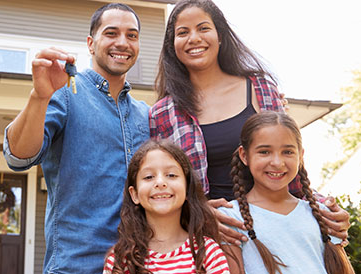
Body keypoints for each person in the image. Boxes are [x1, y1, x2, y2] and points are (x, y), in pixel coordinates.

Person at [149, 0, 350, 246]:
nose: (194, 38)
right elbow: (162, 185)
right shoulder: (162, 113)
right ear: (172, 45)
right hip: (211, 239)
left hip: (274, 228)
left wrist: (324, 209)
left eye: (203, 28)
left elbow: (288, 163)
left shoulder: (261, 88)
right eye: (183, 32)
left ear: (220, 35)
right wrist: (197, 213)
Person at [3, 3, 149, 273]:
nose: (122, 42)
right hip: (77, 266)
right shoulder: (65, 93)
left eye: (132, 35)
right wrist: (40, 96)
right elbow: (18, 157)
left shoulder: (146, 114)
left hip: (140, 265)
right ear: (91, 44)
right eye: (111, 33)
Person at [218, 111, 354, 274]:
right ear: (244, 155)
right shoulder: (230, 218)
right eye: (264, 152)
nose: (277, 162)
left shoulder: (321, 214)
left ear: (300, 156)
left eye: (288, 152)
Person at [103, 139, 230, 273]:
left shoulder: (208, 252)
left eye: (171, 175)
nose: (160, 182)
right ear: (134, 194)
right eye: (148, 177)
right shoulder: (121, 259)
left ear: (187, 189)